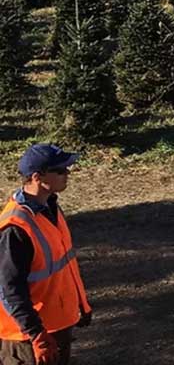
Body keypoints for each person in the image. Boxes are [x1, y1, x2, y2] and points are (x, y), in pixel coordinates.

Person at [0, 144, 91, 365]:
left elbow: (63, 264)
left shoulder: (51, 208)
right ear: (37, 177)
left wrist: (81, 305)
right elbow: (8, 289)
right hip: (27, 340)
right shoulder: (15, 228)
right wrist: (36, 334)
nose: (67, 174)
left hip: (57, 326)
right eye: (60, 170)